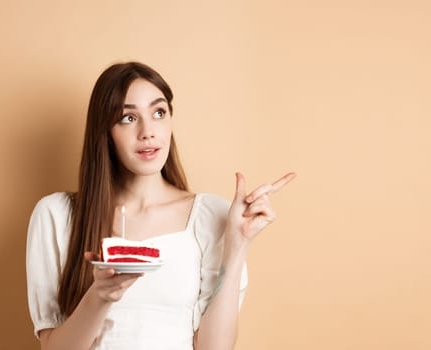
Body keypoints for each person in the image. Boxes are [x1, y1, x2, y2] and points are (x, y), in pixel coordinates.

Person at [26, 61, 295, 350]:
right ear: (104, 132)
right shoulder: (56, 215)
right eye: (128, 118)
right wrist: (100, 295)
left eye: (158, 113)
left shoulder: (211, 216)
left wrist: (238, 244)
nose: (148, 132)